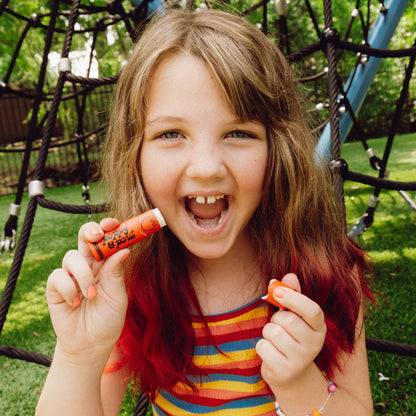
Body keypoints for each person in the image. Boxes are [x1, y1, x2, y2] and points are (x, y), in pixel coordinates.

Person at [36, 8, 375, 416]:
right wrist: (79, 354)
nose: (207, 167)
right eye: (171, 134)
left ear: (277, 149)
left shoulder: (327, 270)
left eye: (238, 133)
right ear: (136, 154)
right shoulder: (128, 287)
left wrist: (299, 383)